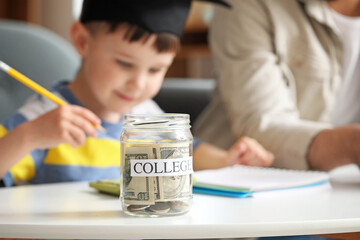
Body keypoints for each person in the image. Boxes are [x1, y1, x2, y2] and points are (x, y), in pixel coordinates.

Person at [0, 0, 274, 187]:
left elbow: (191, 154)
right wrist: (30, 135)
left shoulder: (145, 115)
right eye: (124, 63)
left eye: (156, 69)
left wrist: (229, 160)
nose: (138, 83)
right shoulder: (45, 119)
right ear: (83, 41)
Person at [194, 0, 360, 172]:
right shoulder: (248, 4)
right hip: (241, 181)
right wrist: (351, 144)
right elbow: (261, 127)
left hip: (343, 183)